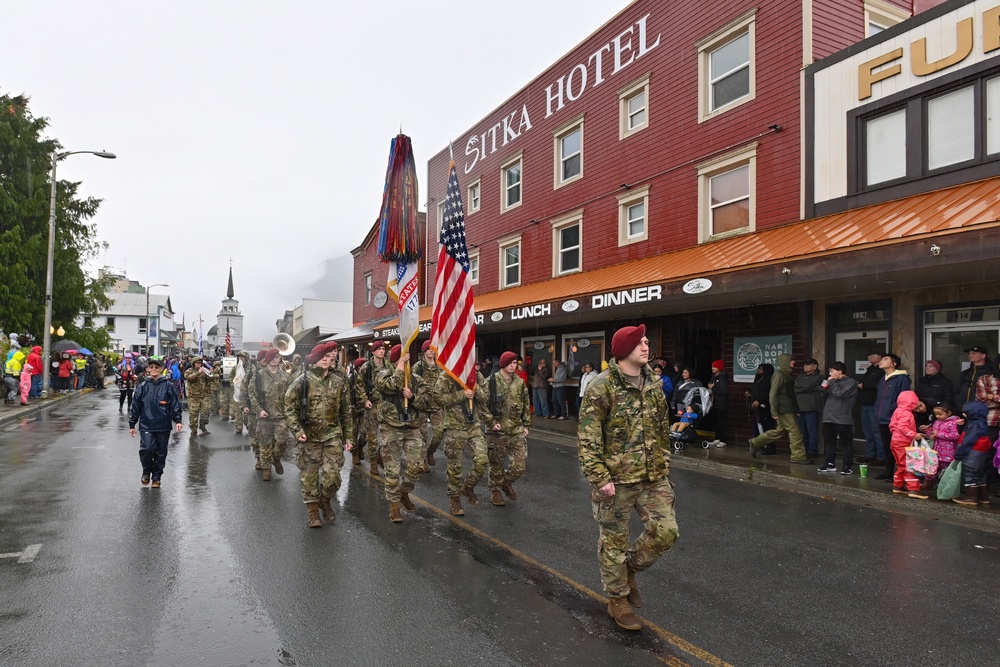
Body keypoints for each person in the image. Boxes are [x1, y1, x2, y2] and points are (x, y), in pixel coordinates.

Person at [578, 324, 678, 632]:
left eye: (647, 342)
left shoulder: (654, 383)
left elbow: (661, 426)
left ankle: (629, 569)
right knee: (613, 543)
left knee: (666, 531)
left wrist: (664, 460)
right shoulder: (601, 386)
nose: (646, 347)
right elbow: (588, 437)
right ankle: (617, 599)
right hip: (616, 480)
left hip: (653, 475)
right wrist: (599, 477)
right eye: (640, 343)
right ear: (624, 351)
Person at [283, 342, 354, 528]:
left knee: (333, 477)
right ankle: (312, 511)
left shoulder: (339, 382)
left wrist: (349, 438)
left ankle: (325, 499)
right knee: (309, 476)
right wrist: (297, 431)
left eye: (327, 356)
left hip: (332, 435)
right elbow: (289, 409)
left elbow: (346, 411)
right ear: (314, 360)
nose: (325, 359)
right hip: (309, 436)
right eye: (321, 357)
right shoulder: (302, 381)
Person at [376, 344, 430, 523]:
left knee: (417, 466)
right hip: (391, 427)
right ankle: (393, 507)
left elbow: (427, 402)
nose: (407, 362)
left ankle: (404, 491)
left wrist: (413, 396)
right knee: (392, 470)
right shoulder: (383, 374)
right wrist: (400, 366)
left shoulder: (416, 380)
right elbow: (392, 385)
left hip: (412, 426)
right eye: (402, 359)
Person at [436, 364, 490, 516]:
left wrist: (474, 388)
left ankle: (467, 486)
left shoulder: (476, 375)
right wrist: (462, 394)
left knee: (482, 460)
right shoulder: (446, 375)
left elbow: (485, 397)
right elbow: (438, 397)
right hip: (455, 426)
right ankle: (454, 498)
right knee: (455, 467)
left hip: (473, 425)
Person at [483, 351, 531, 507]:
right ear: (503, 364)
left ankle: (506, 482)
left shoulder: (519, 382)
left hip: (516, 429)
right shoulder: (491, 382)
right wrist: (490, 422)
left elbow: (525, 404)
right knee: (496, 463)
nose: (513, 366)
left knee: (520, 465)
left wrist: (526, 424)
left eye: (515, 363)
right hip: (497, 430)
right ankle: (495, 491)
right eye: (511, 363)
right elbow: (482, 405)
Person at [127, 358, 183, 488]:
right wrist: (132, 424)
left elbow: (175, 404)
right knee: (147, 449)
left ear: (161, 369)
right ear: (147, 369)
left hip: (163, 424)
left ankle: (157, 476)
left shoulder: (168, 386)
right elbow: (135, 406)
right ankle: (146, 471)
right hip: (146, 424)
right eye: (151, 367)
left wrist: (177, 420)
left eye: (156, 367)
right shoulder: (142, 387)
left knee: (161, 452)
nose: (154, 369)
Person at [749, 354, 810, 463]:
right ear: (785, 361)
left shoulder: (787, 374)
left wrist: (796, 409)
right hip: (784, 409)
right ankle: (798, 457)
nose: (793, 363)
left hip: (787, 408)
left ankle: (755, 442)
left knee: (779, 431)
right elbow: (773, 394)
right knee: (795, 432)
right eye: (792, 360)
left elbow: (790, 394)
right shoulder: (779, 375)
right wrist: (774, 411)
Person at [249, 349, 291, 481]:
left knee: (282, 442)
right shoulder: (258, 376)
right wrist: (258, 409)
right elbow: (252, 394)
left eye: (277, 357)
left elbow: (291, 396)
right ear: (267, 359)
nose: (274, 359)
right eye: (272, 357)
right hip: (264, 416)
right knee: (264, 444)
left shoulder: (285, 377)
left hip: (281, 416)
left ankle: (277, 458)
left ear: (280, 359)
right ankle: (266, 469)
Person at [874, 353, 911, 481]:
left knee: (897, 447)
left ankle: (899, 473)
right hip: (881, 417)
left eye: (885, 359)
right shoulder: (882, 379)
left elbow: (903, 398)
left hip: (894, 418)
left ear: (893, 364)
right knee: (886, 446)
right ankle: (888, 471)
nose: (881, 361)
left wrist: (891, 410)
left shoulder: (902, 379)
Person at [817, 362, 857, 474]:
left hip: (843, 418)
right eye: (829, 371)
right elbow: (827, 397)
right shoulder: (832, 382)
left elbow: (840, 394)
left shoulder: (851, 382)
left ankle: (847, 466)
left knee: (846, 443)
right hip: (829, 416)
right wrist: (823, 391)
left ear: (840, 371)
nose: (830, 374)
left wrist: (832, 382)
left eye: (832, 371)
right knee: (829, 441)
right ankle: (830, 464)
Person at [356, 341, 390, 474]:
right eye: (379, 349)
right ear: (373, 352)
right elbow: (359, 386)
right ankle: (373, 463)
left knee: (386, 436)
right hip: (372, 405)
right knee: (372, 437)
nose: (382, 351)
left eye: (383, 349)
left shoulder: (389, 366)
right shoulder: (366, 367)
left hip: (386, 405)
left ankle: (381, 456)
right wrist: (365, 400)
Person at [951, 401, 993, 507]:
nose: (964, 414)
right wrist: (961, 427)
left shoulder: (975, 424)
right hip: (981, 452)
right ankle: (983, 497)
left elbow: (968, 441)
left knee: (969, 472)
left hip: (974, 452)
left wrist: (959, 455)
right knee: (979, 473)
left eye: (966, 412)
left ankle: (971, 497)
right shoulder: (979, 423)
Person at [411, 340, 444, 470]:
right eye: (429, 349)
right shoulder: (418, 367)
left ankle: (431, 451)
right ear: (424, 351)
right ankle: (423, 459)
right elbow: (413, 384)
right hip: (422, 404)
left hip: (436, 404)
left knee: (439, 432)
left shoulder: (440, 366)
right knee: (422, 434)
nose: (431, 351)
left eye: (433, 349)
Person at [886, 390, 923, 498]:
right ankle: (913, 489)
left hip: (896, 441)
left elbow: (893, 426)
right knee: (909, 465)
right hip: (903, 442)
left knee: (901, 465)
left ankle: (899, 485)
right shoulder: (907, 413)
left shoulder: (898, 410)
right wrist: (914, 434)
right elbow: (902, 427)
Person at [856, 352, 886, 465]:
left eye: (870, 355)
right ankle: (869, 454)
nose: (868, 357)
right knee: (867, 431)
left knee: (876, 430)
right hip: (864, 402)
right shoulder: (870, 369)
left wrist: (865, 386)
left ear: (879, 356)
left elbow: (878, 385)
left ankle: (881, 456)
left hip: (874, 403)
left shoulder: (882, 370)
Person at [920, 403, 960, 483]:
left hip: (948, 452)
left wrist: (938, 434)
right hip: (936, 450)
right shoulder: (936, 422)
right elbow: (932, 434)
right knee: (932, 467)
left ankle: (943, 485)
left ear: (948, 413)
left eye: (940, 414)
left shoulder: (954, 422)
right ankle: (928, 483)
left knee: (945, 470)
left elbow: (955, 436)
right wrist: (927, 431)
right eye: (936, 414)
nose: (938, 416)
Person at [794, 358, 824, 458]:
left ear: (814, 366)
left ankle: (812, 451)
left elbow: (809, 386)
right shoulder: (801, 376)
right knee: (802, 431)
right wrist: (802, 388)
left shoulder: (819, 377)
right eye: (804, 364)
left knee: (812, 431)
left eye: (808, 364)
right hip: (800, 407)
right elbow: (795, 386)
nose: (805, 366)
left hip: (812, 407)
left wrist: (801, 388)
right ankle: (804, 450)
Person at [915, 360, 953, 426]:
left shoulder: (945, 382)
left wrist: (941, 409)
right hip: (922, 411)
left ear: (937, 369)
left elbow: (948, 398)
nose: (927, 368)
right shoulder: (922, 380)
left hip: (937, 412)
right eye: (926, 366)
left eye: (930, 366)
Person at [184, 356, 213, 435]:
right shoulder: (189, 371)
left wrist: (210, 373)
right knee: (194, 415)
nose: (199, 365)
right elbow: (189, 378)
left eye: (200, 363)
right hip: (193, 397)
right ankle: (194, 429)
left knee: (206, 412)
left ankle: (202, 425)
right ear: (193, 364)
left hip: (204, 396)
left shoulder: (204, 371)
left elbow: (211, 378)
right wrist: (198, 373)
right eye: (197, 363)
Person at [707, 359, 728, 447]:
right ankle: (717, 438)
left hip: (721, 403)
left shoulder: (722, 377)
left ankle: (723, 440)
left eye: (715, 367)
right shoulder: (714, 376)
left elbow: (723, 391)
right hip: (714, 402)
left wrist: (713, 387)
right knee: (715, 421)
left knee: (721, 422)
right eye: (712, 366)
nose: (713, 368)